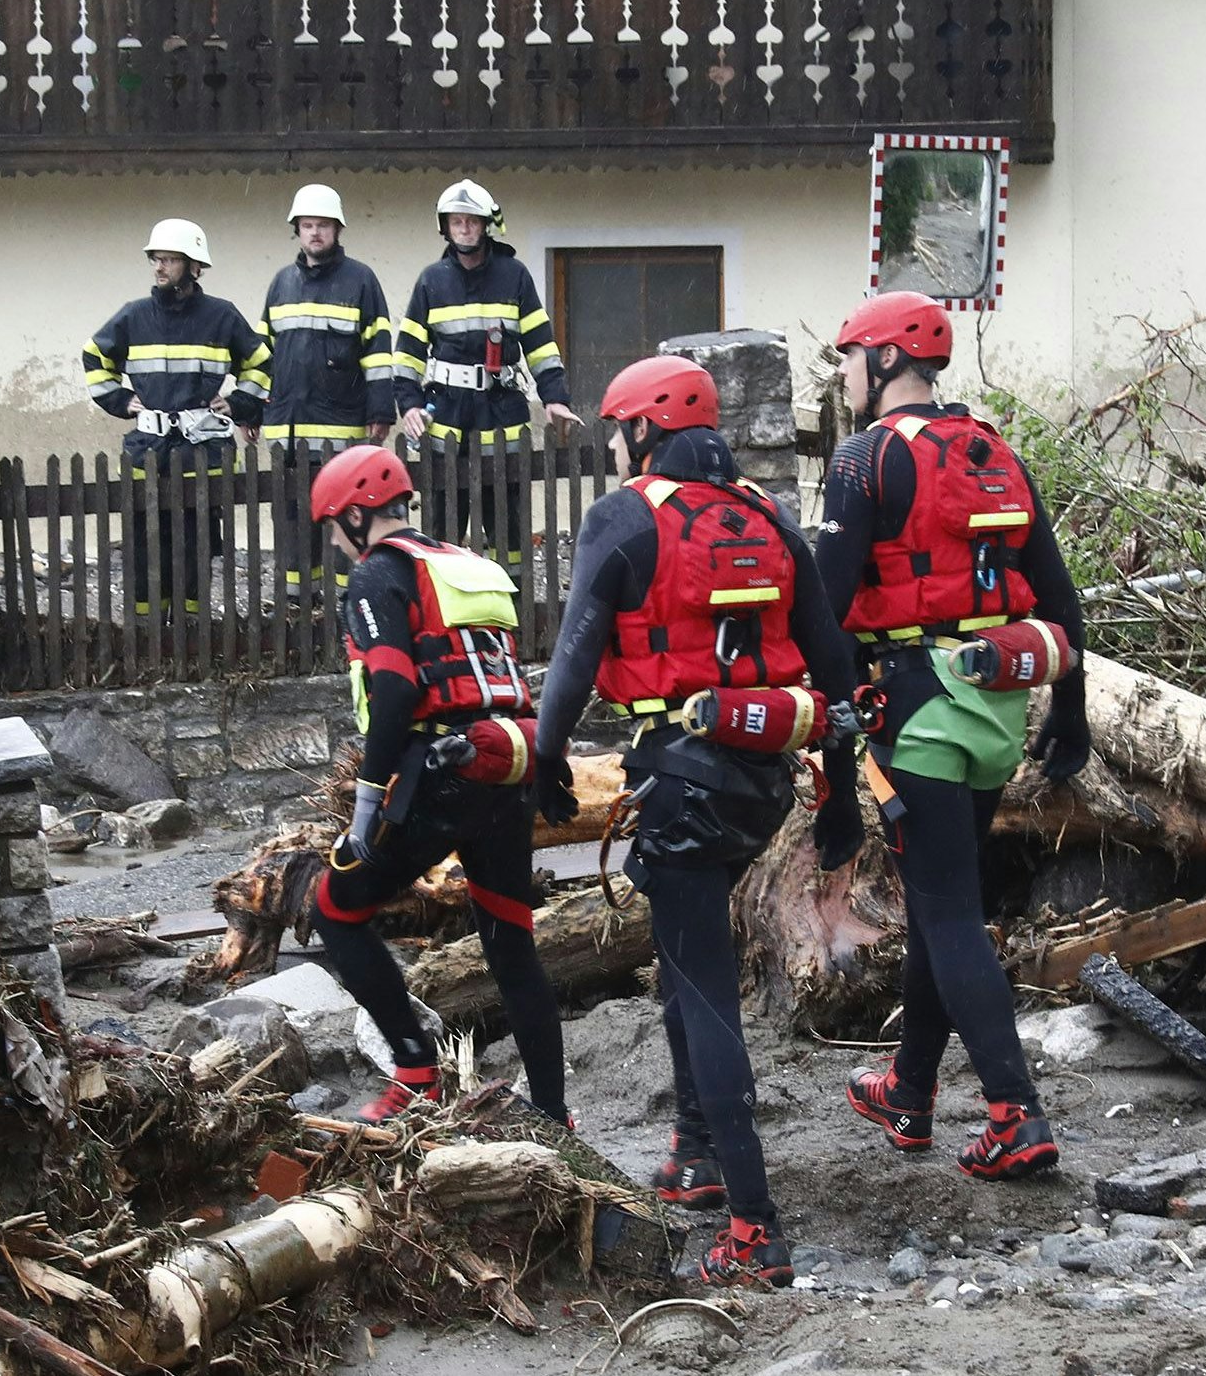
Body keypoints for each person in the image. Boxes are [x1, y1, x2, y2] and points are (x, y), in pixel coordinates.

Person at [534, 355, 866, 1288]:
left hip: (681, 781)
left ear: (643, 428)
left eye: (619, 430)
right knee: (686, 973)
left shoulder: (625, 516)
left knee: (705, 988)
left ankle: (755, 1229)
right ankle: (694, 1151)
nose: (615, 447)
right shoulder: (766, 517)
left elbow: (573, 652)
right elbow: (835, 673)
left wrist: (544, 760)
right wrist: (840, 796)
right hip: (760, 780)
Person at [818, 290, 1089, 1182]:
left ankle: (1017, 1113)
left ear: (887, 360)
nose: (845, 377)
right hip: (998, 711)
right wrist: (1071, 713)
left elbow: (824, 608)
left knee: (947, 911)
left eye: (849, 359)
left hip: (917, 706)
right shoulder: (993, 452)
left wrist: (825, 737)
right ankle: (910, 1088)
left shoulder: (862, 462)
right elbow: (1059, 598)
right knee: (944, 902)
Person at [306, 444, 571, 1127]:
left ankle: (417, 1072)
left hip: (441, 776)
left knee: (334, 909)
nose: (336, 542)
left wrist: (366, 803)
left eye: (336, 526)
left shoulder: (377, 575)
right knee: (511, 943)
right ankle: (551, 1113)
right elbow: (503, 678)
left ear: (359, 517)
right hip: (508, 767)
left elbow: (394, 690)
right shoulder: (464, 565)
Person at [80, 218, 268, 616]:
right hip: (148, 447)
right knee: (146, 547)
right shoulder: (134, 316)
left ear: (194, 266)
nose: (160, 267)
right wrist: (120, 400)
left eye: (170, 260)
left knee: (195, 544)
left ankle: (191, 632)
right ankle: (150, 640)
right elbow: (94, 356)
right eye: (156, 259)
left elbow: (261, 363)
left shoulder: (221, 316)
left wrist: (237, 405)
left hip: (201, 450)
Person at [391, 179, 580, 574]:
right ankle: (447, 610)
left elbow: (541, 344)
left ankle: (511, 603)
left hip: (502, 414)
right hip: (446, 417)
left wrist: (555, 397)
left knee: (507, 524)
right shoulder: (431, 280)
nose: (463, 228)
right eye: (456, 221)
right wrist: (408, 404)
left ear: (486, 225)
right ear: (445, 227)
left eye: (471, 221)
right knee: (443, 524)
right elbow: (408, 352)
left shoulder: (515, 276)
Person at [258, 184, 403, 596]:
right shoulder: (281, 283)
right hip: (287, 430)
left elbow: (377, 350)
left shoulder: (361, 280)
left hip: (341, 429)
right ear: (297, 230)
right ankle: (297, 603)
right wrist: (251, 408)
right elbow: (262, 353)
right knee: (291, 522)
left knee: (345, 515)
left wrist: (380, 411)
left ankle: (347, 598)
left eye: (322, 225)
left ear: (337, 229)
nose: (315, 233)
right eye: (307, 225)